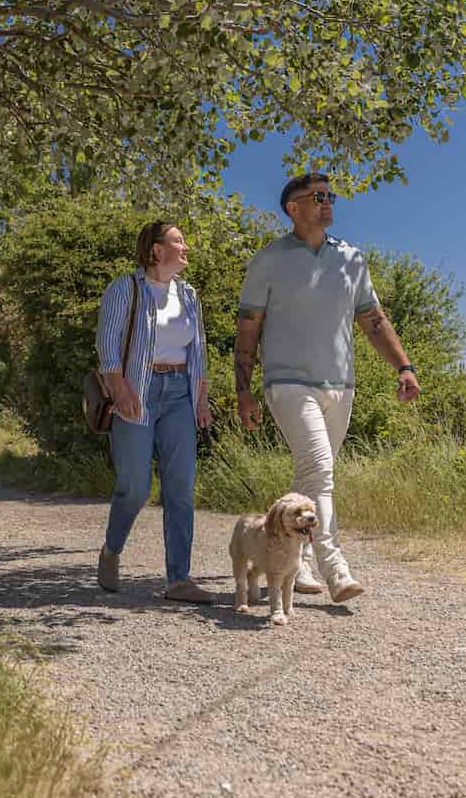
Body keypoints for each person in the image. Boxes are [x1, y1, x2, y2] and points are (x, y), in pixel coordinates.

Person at [234, 172, 420, 603]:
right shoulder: (269, 259)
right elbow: (248, 329)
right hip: (287, 382)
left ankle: (292, 567)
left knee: (309, 478)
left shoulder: (351, 258)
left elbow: (373, 319)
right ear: (292, 208)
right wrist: (243, 391)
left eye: (329, 196)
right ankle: (335, 567)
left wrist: (404, 366)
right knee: (321, 472)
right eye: (317, 197)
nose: (327, 202)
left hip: (340, 385)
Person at [95, 220, 215, 603]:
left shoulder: (189, 295)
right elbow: (108, 344)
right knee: (136, 488)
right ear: (156, 250)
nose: (186, 247)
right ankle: (112, 550)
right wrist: (119, 388)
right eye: (179, 241)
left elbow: (198, 350)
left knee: (180, 488)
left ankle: (179, 579)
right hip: (137, 389)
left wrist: (200, 397)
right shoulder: (126, 288)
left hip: (180, 391)